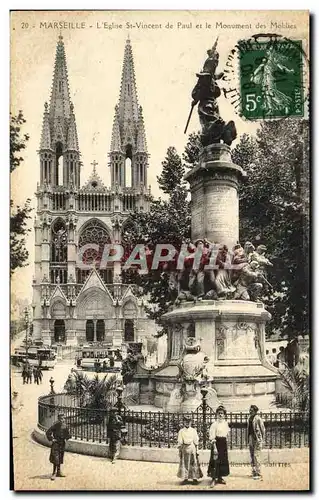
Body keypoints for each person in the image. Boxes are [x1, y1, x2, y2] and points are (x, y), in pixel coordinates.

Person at [208, 405, 230, 487]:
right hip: (216, 444)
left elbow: (227, 434)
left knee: (222, 461)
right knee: (215, 461)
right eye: (219, 413)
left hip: (223, 444)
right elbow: (212, 437)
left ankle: (220, 477)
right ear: (216, 414)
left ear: (224, 415)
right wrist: (214, 448)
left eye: (222, 413)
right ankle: (213, 479)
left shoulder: (225, 423)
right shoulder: (214, 424)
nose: (220, 415)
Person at [177, 415, 202, 485]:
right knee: (185, 463)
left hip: (192, 448)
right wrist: (180, 451)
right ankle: (185, 478)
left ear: (191, 422)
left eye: (189, 421)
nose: (187, 423)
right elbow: (180, 442)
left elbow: (196, 441)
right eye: (186, 421)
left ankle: (195, 478)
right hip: (185, 448)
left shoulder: (193, 431)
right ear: (183, 422)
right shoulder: (181, 431)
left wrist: (197, 450)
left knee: (193, 463)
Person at [46, 412, 71, 480]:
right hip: (56, 444)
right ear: (58, 419)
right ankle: (54, 473)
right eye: (61, 419)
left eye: (63, 418)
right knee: (55, 458)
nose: (62, 420)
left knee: (60, 457)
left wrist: (66, 438)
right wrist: (52, 439)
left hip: (62, 444)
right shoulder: (55, 425)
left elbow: (68, 434)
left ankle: (59, 472)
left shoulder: (65, 426)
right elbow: (48, 432)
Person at [247, 405, 265, 480]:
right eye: (250, 410)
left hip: (257, 439)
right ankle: (254, 471)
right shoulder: (249, 418)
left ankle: (259, 473)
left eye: (252, 410)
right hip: (251, 438)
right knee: (252, 455)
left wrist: (261, 439)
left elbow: (263, 429)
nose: (250, 411)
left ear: (255, 411)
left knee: (256, 455)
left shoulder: (258, 419)